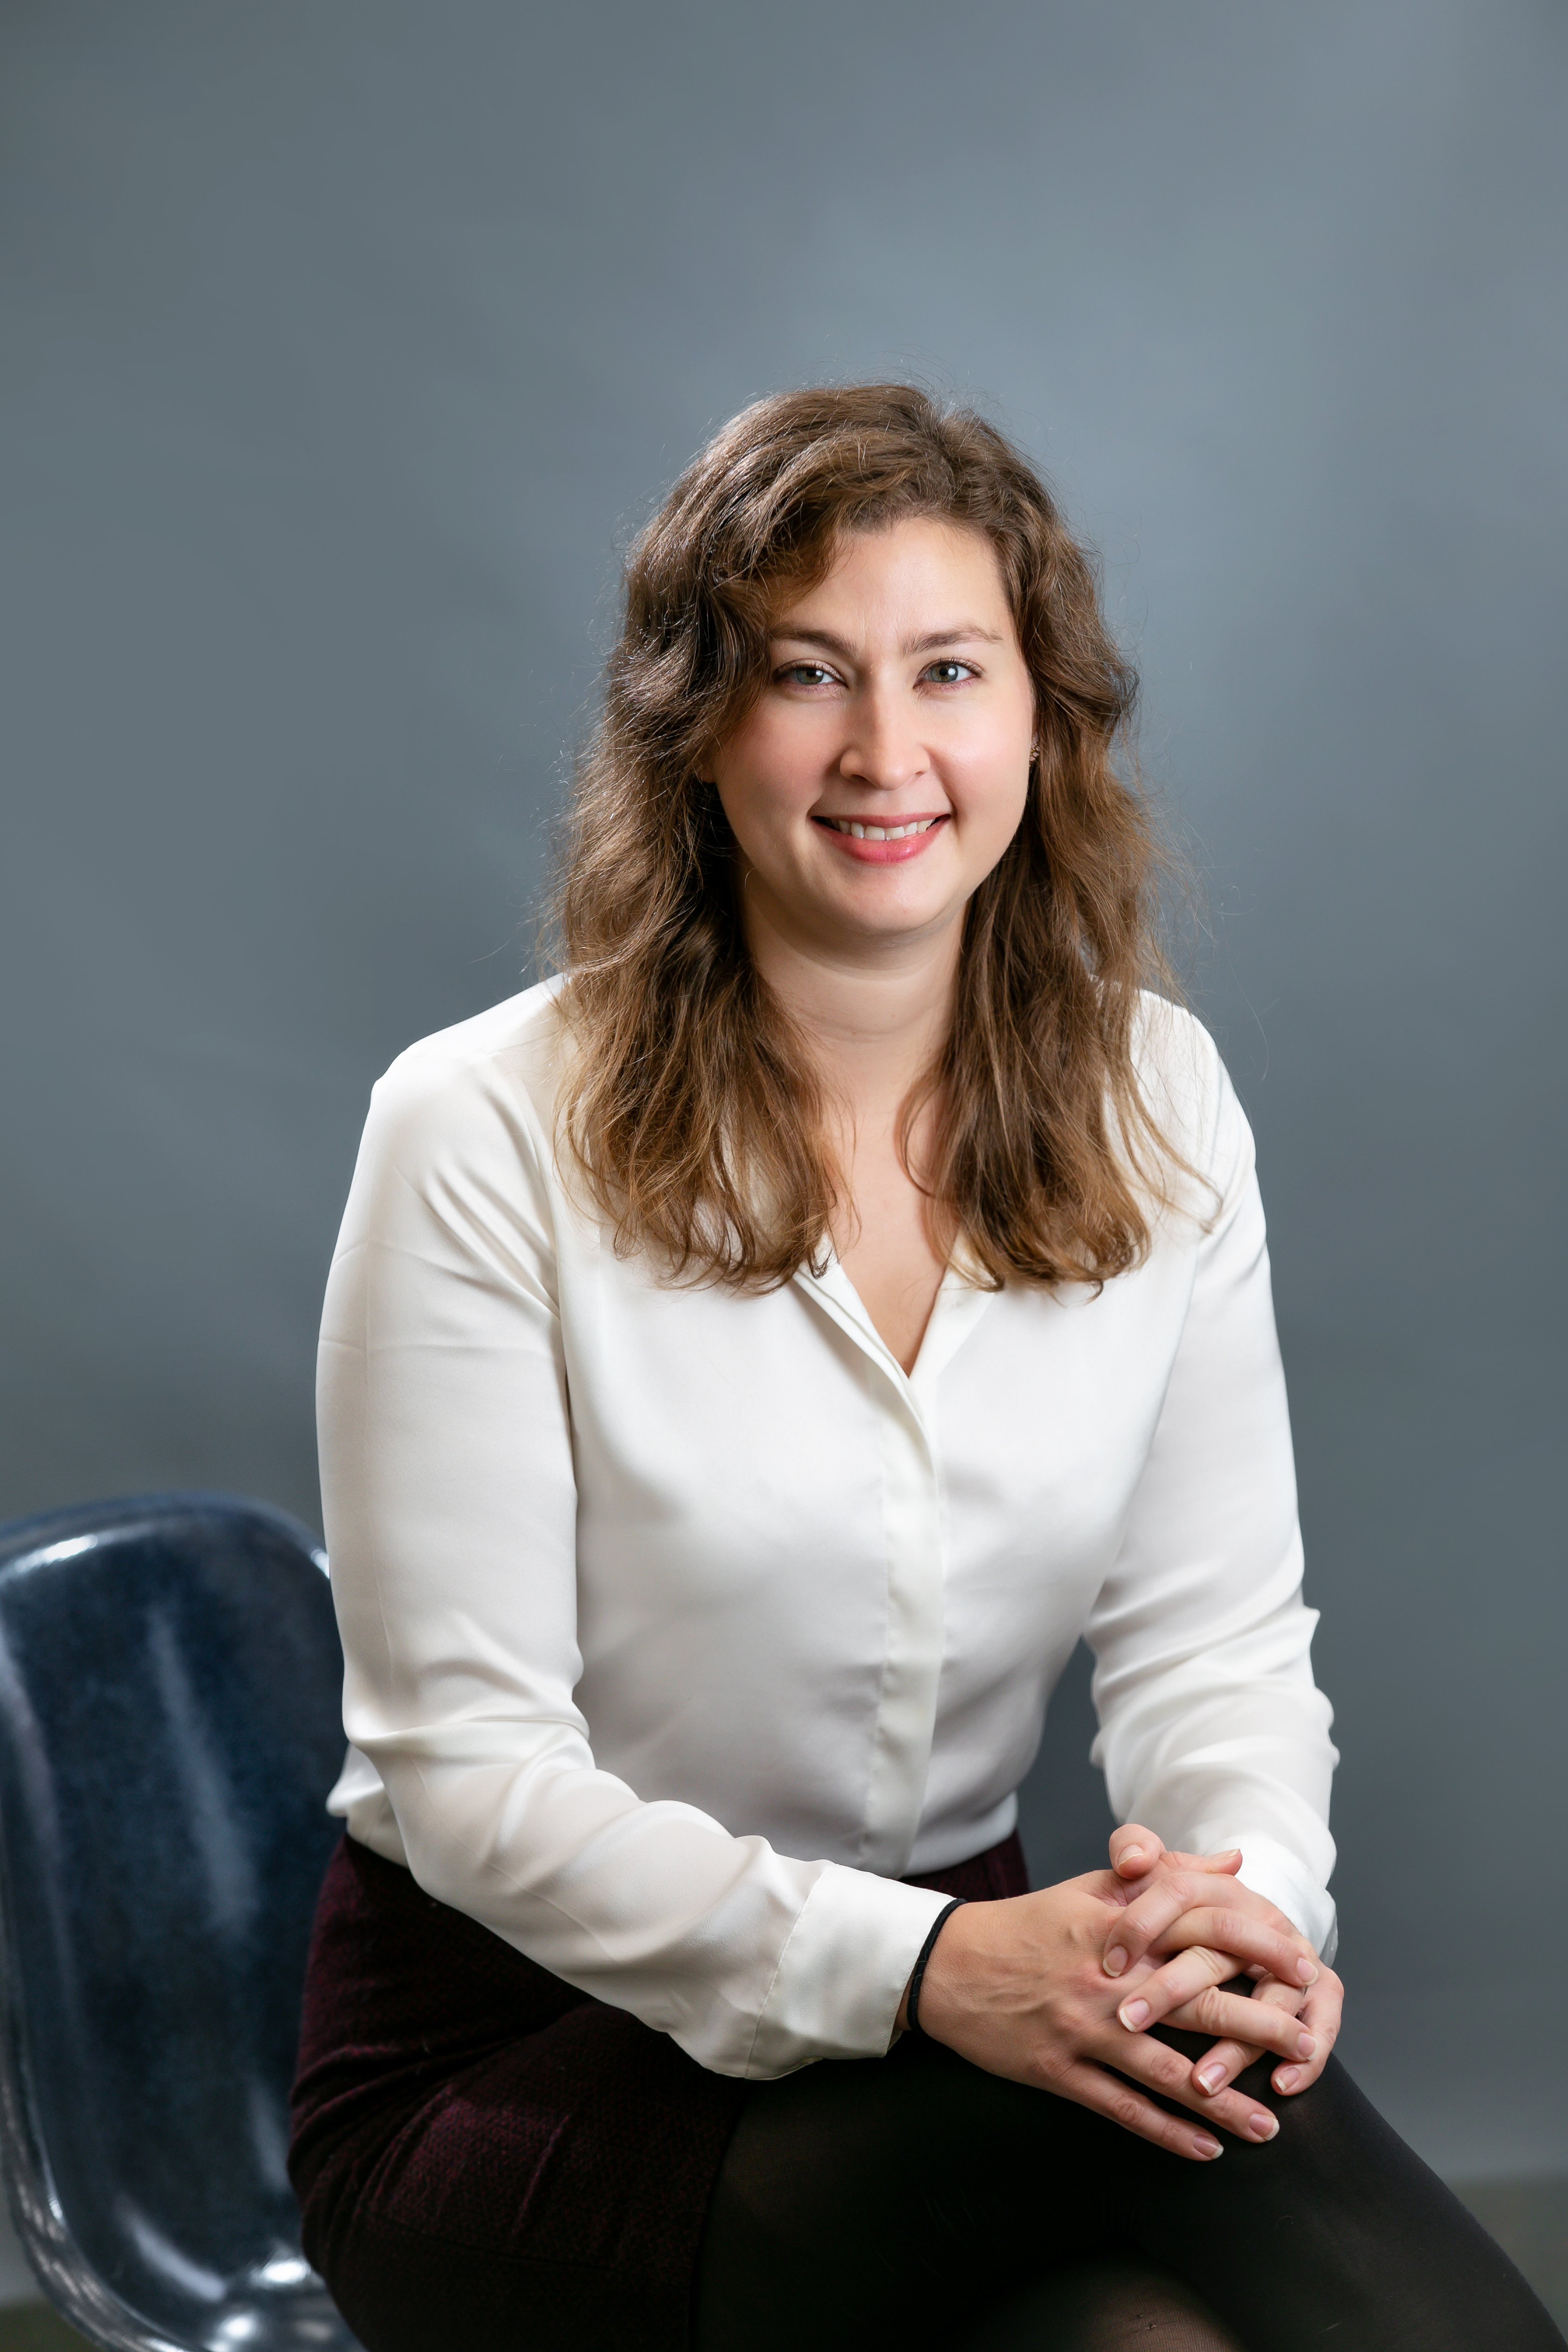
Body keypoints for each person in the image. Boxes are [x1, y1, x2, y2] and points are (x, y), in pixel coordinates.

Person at [288, 385, 1561, 2352]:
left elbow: (1214, 1650)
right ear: (699, 725)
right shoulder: (472, 1128)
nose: (887, 752)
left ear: (1041, 723)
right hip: (522, 2075)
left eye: (948, 671)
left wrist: (1249, 1912)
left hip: (981, 2028)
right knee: (1208, 2123)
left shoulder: (1162, 1100)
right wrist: (933, 1971)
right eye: (809, 675)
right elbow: (471, 1789)